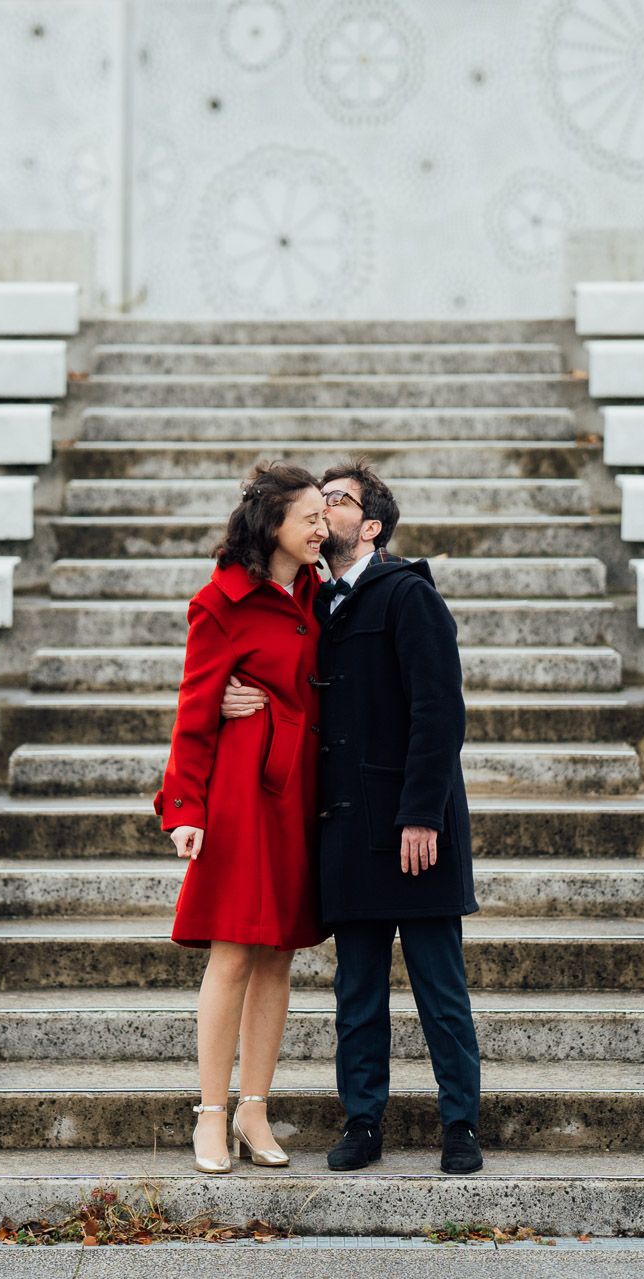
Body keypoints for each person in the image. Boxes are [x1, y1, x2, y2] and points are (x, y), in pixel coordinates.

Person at [221, 459, 482, 1175]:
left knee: (440, 990)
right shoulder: (312, 604)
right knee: (356, 996)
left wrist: (422, 816)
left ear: (369, 527)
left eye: (334, 502)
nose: (318, 512)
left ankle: (461, 1125)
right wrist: (221, 697)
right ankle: (362, 1122)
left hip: (413, 831)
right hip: (345, 830)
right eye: (312, 504)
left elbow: (440, 711)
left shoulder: (408, 596)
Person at [154, 461, 330, 1175]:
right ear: (274, 526)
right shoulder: (219, 603)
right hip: (238, 789)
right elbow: (193, 711)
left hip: (301, 791)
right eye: (312, 518)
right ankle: (210, 1113)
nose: (324, 527)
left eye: (326, 515)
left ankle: (256, 1109)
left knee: (280, 951)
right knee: (232, 951)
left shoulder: (323, 594)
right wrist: (184, 807)